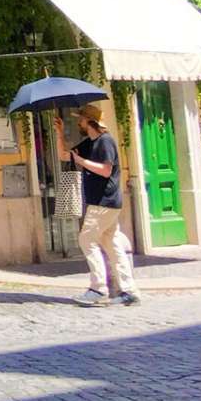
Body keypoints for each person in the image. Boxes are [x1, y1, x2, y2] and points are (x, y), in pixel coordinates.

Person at [71, 103, 139, 307]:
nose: (79, 122)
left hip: (104, 201)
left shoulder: (105, 141)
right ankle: (129, 291)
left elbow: (106, 170)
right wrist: (58, 132)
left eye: (81, 119)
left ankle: (98, 288)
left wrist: (82, 162)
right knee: (111, 243)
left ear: (89, 122)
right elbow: (66, 156)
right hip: (103, 202)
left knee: (86, 240)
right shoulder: (89, 142)